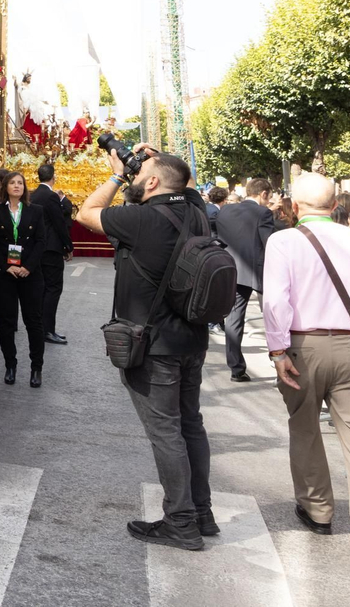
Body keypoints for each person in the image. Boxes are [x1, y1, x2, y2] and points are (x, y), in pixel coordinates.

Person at [76, 143, 214, 551]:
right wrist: (159, 162)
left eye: (142, 173)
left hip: (152, 347)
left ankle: (182, 522)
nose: (136, 176)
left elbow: (85, 213)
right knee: (190, 425)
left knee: (166, 433)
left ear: (151, 181)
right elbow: (181, 182)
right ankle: (201, 512)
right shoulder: (197, 213)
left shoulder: (141, 219)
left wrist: (118, 176)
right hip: (192, 339)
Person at [262, 172, 350, 579]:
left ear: (294, 206)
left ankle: (318, 508)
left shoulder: (283, 241)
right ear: (336, 205)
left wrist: (278, 348)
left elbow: (275, 300)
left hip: (304, 345)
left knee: (304, 427)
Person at [0, 170, 47, 387]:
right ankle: (10, 365)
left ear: (25, 188)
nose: (16, 186)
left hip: (30, 275)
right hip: (4, 275)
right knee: (7, 322)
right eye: (12, 183)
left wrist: (28, 267)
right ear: (6, 187)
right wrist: (6, 266)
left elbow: (41, 241)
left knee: (34, 322)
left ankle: (36, 368)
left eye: (20, 183)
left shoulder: (36, 211)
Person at [215, 177, 276, 382]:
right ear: (264, 194)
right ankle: (280, 362)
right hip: (258, 272)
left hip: (231, 269)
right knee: (274, 317)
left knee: (233, 320)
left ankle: (236, 368)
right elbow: (269, 244)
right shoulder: (263, 213)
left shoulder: (225, 211)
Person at [30, 163, 73, 345]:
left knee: (43, 288)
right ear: (53, 177)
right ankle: (48, 330)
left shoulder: (33, 195)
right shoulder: (51, 196)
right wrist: (68, 246)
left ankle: (41, 328)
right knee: (53, 289)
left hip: (37, 248)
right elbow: (59, 223)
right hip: (52, 248)